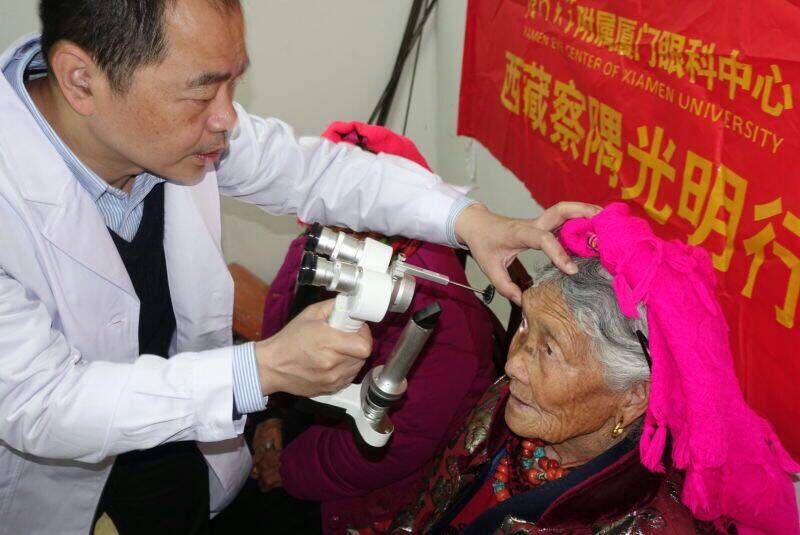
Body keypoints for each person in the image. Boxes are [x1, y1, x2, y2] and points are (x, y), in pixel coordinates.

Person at [0, 1, 598, 534]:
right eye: (202, 93)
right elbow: (43, 403)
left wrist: (467, 220)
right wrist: (262, 369)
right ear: (81, 80)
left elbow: (317, 172)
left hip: (176, 445)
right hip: (46, 479)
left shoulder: (173, 137)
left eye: (233, 84)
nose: (228, 118)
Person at [388, 204, 799, 534]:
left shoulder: (646, 523)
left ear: (633, 398)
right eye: (525, 324)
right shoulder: (514, 398)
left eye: (550, 350)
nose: (513, 364)